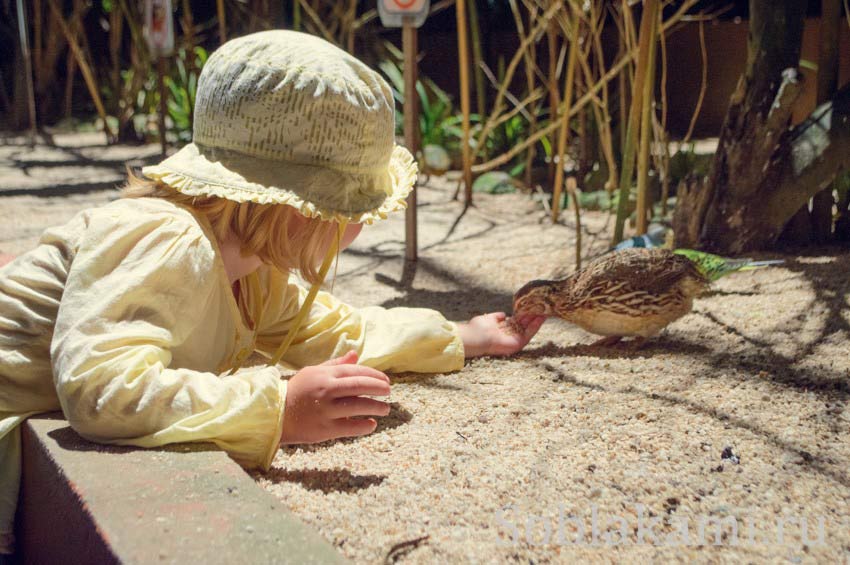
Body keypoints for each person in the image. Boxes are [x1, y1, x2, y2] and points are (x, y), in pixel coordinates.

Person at [0, 30, 544, 555]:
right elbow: (102, 388)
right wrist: (279, 409)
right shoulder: (167, 237)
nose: (361, 226)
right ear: (295, 207)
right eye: (353, 210)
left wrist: (460, 336)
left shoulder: (251, 268)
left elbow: (338, 331)